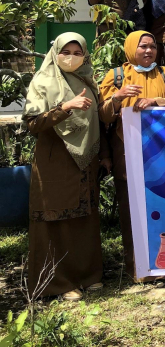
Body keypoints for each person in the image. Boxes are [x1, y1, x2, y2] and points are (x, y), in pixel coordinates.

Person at [24, 33, 102, 300]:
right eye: (65, 51)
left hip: (84, 162)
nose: (71, 57)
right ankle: (58, 283)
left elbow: (97, 120)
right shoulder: (43, 81)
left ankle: (87, 275)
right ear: (55, 52)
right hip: (54, 159)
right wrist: (65, 107)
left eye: (77, 52)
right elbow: (33, 123)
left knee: (84, 219)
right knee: (56, 220)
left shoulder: (86, 79)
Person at [99, 31, 165, 281]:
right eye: (143, 46)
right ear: (131, 48)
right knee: (130, 209)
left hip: (160, 153)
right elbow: (103, 116)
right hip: (127, 152)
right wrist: (117, 97)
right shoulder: (116, 76)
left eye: (152, 46)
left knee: (161, 206)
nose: (148, 51)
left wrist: (155, 101)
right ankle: (137, 267)